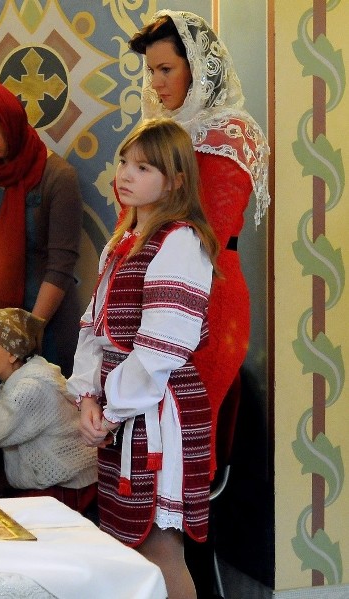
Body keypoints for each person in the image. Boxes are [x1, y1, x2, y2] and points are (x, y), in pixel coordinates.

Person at [67, 118, 220, 599]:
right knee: (126, 547)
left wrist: (110, 410)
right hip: (126, 410)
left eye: (143, 167)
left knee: (159, 550)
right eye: (124, 163)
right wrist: (89, 397)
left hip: (160, 414)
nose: (125, 175)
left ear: (175, 180)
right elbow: (96, 327)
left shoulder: (180, 241)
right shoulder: (121, 242)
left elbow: (161, 348)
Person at [128, 10, 270, 475]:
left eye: (166, 69)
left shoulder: (230, 131)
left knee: (183, 446)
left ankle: (190, 546)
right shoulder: (160, 131)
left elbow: (206, 225)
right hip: (148, 289)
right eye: (151, 70)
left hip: (210, 292)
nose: (157, 81)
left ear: (198, 66)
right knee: (145, 445)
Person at [0, 78, 83, 377]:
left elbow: (60, 267)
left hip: (43, 323)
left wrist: (27, 334)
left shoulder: (58, 177)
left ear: (8, 122)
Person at [0, 307, 97, 514]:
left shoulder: (30, 389)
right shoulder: (16, 382)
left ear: (12, 352)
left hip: (63, 487)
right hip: (53, 485)